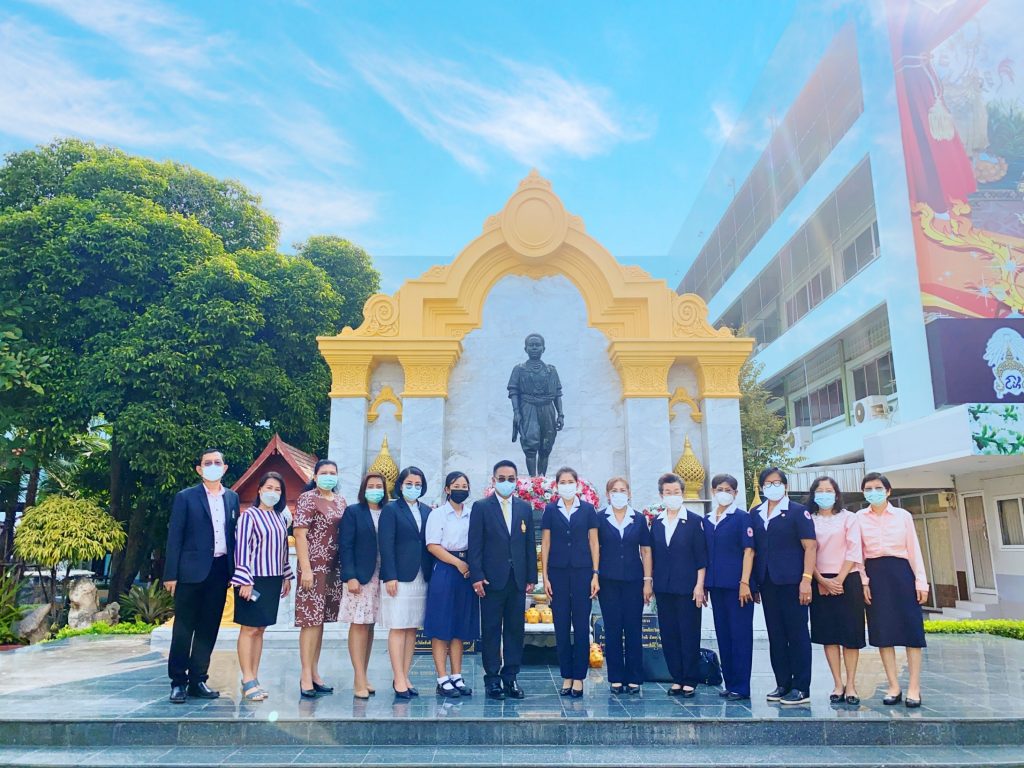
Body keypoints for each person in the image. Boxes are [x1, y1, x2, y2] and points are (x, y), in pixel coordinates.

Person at [163, 448, 240, 704]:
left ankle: (198, 679)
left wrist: (234, 571)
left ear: (225, 468)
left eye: (217, 462)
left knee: (208, 628)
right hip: (190, 572)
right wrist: (171, 574)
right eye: (208, 463)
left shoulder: (232, 498)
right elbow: (175, 536)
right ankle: (178, 681)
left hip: (220, 570)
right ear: (199, 469)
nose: (213, 466)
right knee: (184, 629)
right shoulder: (186, 497)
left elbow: (233, 536)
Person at [468, 459, 537, 700]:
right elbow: (475, 545)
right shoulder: (481, 507)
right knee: (491, 630)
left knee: (515, 630)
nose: (506, 483)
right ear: (493, 480)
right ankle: (492, 679)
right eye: (502, 479)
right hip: (490, 580)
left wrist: (531, 576)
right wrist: (477, 576)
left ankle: (511, 677)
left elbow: (529, 544)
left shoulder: (524, 508)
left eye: (511, 479)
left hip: (517, 580)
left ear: (516, 481)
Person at [858, 472, 929, 708]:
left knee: (912, 631)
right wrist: (864, 581)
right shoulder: (859, 518)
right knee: (883, 631)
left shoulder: (903, 516)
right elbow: (858, 554)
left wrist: (921, 582)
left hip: (902, 573)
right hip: (875, 575)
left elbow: (914, 549)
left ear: (888, 491)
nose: (873, 492)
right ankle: (893, 685)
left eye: (878, 488)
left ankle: (914, 687)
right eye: (868, 488)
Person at [751, 467, 817, 706]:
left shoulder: (798, 512)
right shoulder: (756, 513)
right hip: (768, 582)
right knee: (776, 635)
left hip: (793, 582)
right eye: (768, 484)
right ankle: (783, 683)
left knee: (797, 634)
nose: (773, 487)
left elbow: (810, 547)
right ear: (762, 487)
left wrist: (806, 580)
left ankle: (801, 687)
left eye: (777, 482)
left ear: (785, 485)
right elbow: (754, 550)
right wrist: (754, 583)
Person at [230, 471, 294, 702]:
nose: (273, 493)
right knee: (249, 629)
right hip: (252, 579)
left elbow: (283, 550)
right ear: (259, 490)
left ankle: (254, 677)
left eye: (277, 490)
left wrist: (286, 576)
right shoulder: (249, 516)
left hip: (272, 579)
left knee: (260, 629)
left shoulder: (280, 518)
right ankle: (247, 677)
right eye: (269, 488)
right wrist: (245, 580)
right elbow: (241, 549)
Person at [806, 476, 866, 706]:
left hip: (847, 579)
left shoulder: (849, 518)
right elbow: (807, 551)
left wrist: (839, 580)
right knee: (829, 635)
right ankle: (838, 683)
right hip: (819, 580)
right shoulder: (808, 519)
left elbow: (854, 549)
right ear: (813, 495)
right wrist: (821, 580)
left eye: (828, 490)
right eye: (820, 491)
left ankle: (851, 684)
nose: (824, 494)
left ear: (837, 494)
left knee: (850, 635)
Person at [541, 467, 600, 697]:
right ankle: (566, 674)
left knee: (582, 625)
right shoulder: (550, 510)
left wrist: (595, 574)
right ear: (557, 486)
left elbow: (594, 542)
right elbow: (546, 543)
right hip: (557, 574)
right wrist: (545, 577)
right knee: (561, 626)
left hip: (583, 573)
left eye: (570, 481)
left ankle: (579, 677)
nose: (566, 485)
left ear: (577, 484)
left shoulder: (587, 509)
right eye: (562, 482)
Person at [650, 472, 707, 698]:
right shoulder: (657, 522)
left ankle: (690, 679)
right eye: (668, 492)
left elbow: (701, 557)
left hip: (688, 587)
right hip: (664, 587)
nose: (672, 495)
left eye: (676, 492)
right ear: (661, 495)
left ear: (682, 493)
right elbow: (653, 555)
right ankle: (677, 677)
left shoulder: (694, 521)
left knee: (688, 632)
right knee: (669, 634)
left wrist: (700, 585)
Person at [379, 466, 433, 699]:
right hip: (399, 577)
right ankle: (398, 677)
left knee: (412, 628)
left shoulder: (427, 510)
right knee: (398, 625)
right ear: (400, 485)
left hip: (421, 575)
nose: (413, 488)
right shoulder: (391, 510)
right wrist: (389, 575)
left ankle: (405, 675)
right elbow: (385, 544)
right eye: (409, 484)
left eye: (418, 484)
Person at [424, 471, 479, 698]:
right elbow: (432, 545)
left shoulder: (472, 514)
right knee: (441, 625)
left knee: (459, 626)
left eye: (464, 486)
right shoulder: (438, 514)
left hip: (466, 571)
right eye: (456, 486)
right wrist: (458, 563)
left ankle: (457, 675)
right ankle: (442, 678)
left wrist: (468, 566)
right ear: (447, 489)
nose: (461, 489)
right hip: (446, 569)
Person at [293, 459, 345, 698]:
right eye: (324, 472)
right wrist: (306, 569)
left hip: (333, 568)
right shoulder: (308, 498)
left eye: (332, 472)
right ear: (315, 476)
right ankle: (305, 675)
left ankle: (314, 672)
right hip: (313, 567)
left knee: (320, 621)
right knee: (310, 620)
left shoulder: (340, 501)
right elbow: (299, 534)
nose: (328, 476)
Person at [596, 476, 652, 695]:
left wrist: (647, 581)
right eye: (614, 490)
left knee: (633, 628)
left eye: (622, 490)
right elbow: (595, 548)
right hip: (608, 581)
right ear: (608, 494)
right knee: (612, 629)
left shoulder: (638, 519)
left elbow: (646, 550)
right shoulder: (600, 518)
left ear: (629, 493)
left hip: (634, 581)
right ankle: (616, 677)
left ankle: (634, 677)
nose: (618, 494)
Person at [704, 473, 756, 701]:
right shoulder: (707, 520)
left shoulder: (742, 518)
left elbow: (749, 551)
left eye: (728, 489)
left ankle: (742, 686)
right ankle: (730, 683)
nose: (723, 493)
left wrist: (745, 582)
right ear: (713, 492)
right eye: (719, 489)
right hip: (717, 586)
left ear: (735, 493)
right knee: (724, 635)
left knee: (740, 636)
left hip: (738, 587)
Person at [339, 472, 388, 700]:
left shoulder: (388, 511)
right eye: (371, 486)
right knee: (358, 624)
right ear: (364, 489)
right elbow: (346, 546)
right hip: (360, 577)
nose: (375, 490)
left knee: (369, 626)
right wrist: (350, 576)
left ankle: (364, 674)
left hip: (381, 574)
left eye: (379, 486)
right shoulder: (353, 512)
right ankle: (358, 678)